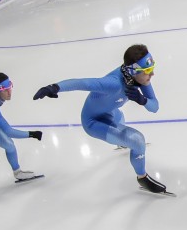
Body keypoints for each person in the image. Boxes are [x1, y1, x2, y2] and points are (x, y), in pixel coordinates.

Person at [32, 44, 168, 194]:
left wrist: (143, 100)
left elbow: (154, 107)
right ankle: (142, 177)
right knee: (138, 141)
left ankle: (122, 142)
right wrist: (54, 87)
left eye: (152, 67)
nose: (152, 74)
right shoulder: (113, 83)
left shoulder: (139, 77)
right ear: (133, 71)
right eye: (147, 70)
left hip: (111, 113)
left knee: (120, 117)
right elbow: (83, 83)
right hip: (93, 122)